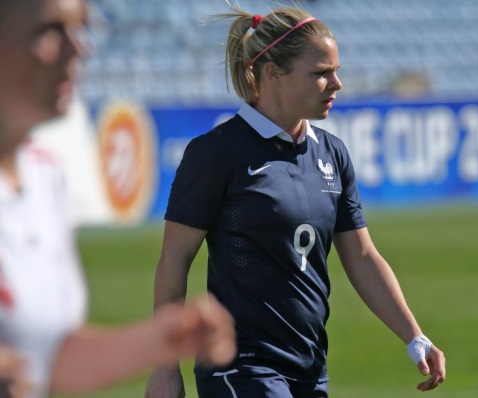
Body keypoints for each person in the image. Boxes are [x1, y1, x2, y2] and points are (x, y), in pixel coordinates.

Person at [145, 4, 446, 398]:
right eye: (321, 73)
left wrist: (414, 335)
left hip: (309, 368)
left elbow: (362, 257)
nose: (336, 84)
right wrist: (165, 368)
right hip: (239, 366)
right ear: (273, 74)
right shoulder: (217, 153)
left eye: (336, 71)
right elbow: (174, 260)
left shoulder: (332, 154)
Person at [0, 0, 237, 397]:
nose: (80, 47)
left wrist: (161, 340)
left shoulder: (45, 176)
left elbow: (51, 361)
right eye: (51, 30)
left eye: (81, 28)